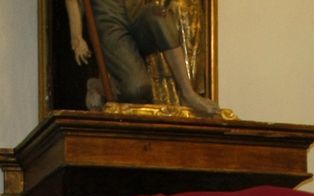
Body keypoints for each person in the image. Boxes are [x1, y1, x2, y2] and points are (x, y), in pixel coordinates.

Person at [64, 0, 220, 115]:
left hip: (136, 9)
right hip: (109, 17)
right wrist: (76, 36)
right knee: (137, 90)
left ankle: (188, 93)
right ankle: (96, 85)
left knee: (161, 17)